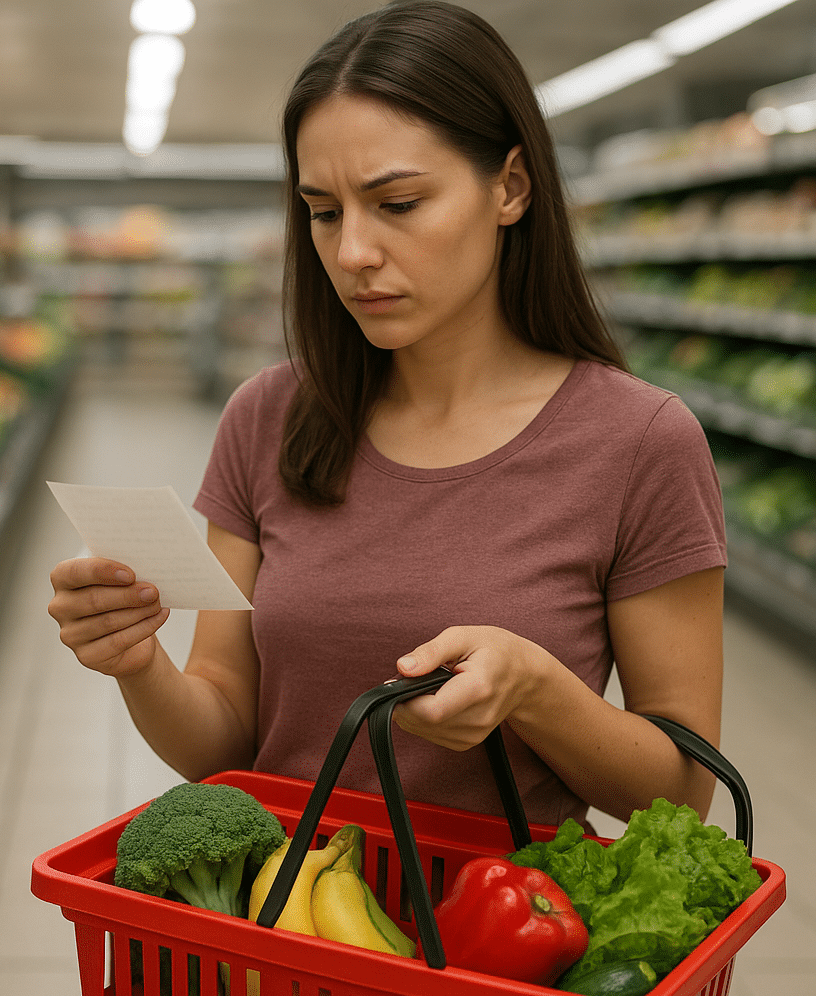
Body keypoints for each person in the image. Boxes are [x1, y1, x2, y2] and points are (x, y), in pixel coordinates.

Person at [49, 0, 726, 830]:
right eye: (324, 212)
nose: (352, 254)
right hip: (289, 901)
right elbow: (226, 739)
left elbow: (683, 793)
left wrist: (536, 689)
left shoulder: (640, 442)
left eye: (397, 204)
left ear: (510, 187)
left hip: (501, 908)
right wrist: (137, 661)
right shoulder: (268, 417)